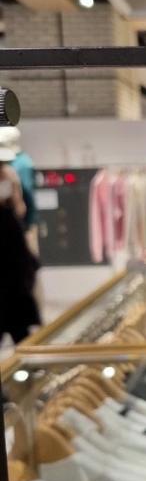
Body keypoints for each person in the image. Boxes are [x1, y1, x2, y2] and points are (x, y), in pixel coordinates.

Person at [0, 145, 40, 344]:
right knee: (22, 338)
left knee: (21, 337)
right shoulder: (9, 219)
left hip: (13, 293)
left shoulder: (9, 219)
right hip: (14, 293)